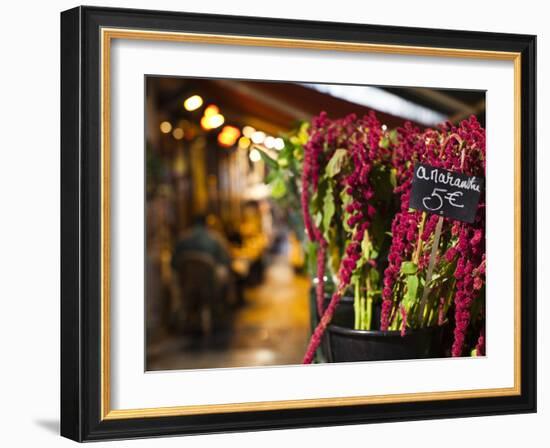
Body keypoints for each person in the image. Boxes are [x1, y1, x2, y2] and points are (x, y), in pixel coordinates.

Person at [171, 215, 234, 335]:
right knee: (225, 276)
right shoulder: (215, 239)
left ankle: (190, 320)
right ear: (207, 224)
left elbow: (174, 263)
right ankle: (219, 314)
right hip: (210, 283)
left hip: (186, 284)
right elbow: (226, 261)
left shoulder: (182, 238)